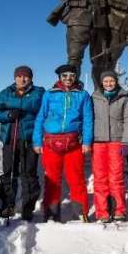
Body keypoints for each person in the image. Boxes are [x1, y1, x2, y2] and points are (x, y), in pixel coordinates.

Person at [32, 64, 93, 222]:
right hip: (51, 143)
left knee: (77, 178)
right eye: (64, 75)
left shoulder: (83, 95)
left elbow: (87, 119)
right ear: (59, 77)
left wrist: (87, 141)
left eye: (71, 75)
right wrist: (37, 141)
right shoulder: (50, 94)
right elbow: (41, 117)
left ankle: (81, 211)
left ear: (75, 77)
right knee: (52, 178)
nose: (68, 78)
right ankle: (51, 212)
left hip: (73, 143)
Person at [0, 65, 45, 221]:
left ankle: (28, 207)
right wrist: (8, 114)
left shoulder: (38, 92)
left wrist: (14, 104)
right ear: (15, 77)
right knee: (9, 173)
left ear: (31, 78)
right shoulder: (5, 92)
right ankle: (7, 205)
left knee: (29, 174)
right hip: (10, 139)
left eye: (26, 76)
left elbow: (35, 104)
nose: (22, 79)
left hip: (29, 139)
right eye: (19, 76)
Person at [91, 71, 128, 222]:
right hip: (98, 142)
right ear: (102, 83)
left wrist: (126, 142)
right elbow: (90, 119)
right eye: (106, 81)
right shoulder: (95, 97)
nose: (109, 84)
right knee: (100, 178)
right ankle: (102, 212)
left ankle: (119, 210)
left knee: (116, 177)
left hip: (116, 141)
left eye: (111, 81)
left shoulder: (124, 98)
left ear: (116, 82)